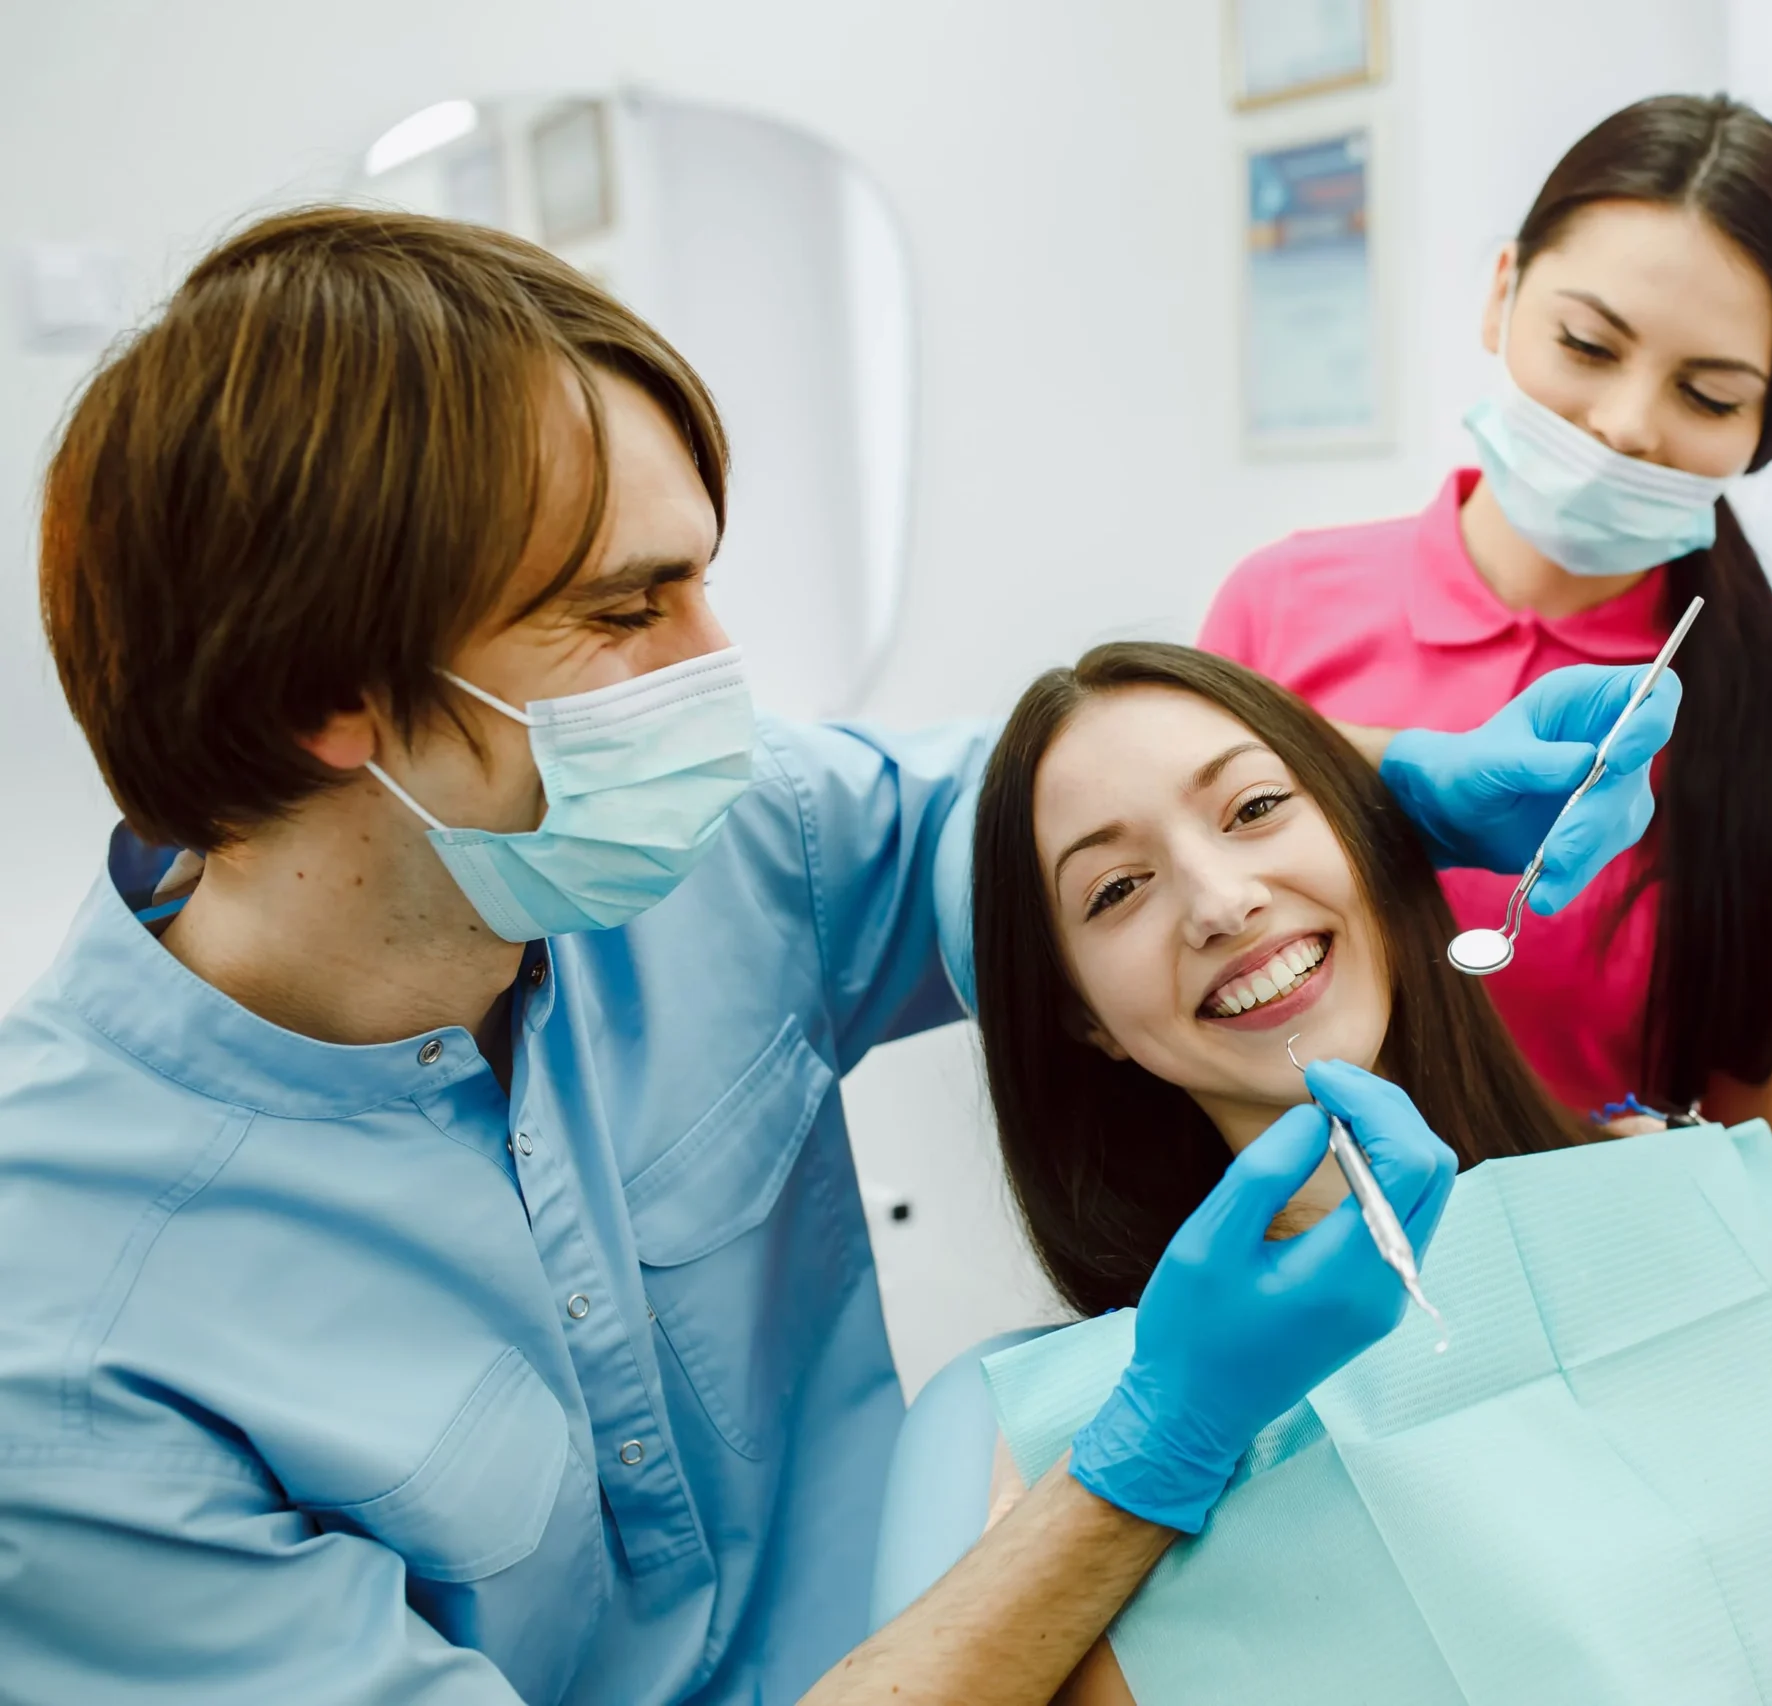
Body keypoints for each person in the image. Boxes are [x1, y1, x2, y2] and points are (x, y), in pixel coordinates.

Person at [0, 209, 1683, 1706]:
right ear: (324, 699)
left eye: (704, 583)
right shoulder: (74, 1351)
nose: (719, 677)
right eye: (621, 610)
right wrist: (1155, 1451)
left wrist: (1390, 777)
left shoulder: (722, 843)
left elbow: (1060, 816)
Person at [962, 640, 1772, 1705]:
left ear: (1368, 834)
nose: (1220, 900)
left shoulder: (1668, 1189)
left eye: (1251, 808)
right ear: (1080, 1017)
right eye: (1114, 888)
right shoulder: (1096, 1450)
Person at [1201, 94, 1772, 1240]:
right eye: (1587, 344)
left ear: (1771, 427)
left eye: (1707, 394)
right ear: (1500, 294)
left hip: (1572, 1318)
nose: (1627, 423)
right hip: (1265, 1315)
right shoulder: (1279, 609)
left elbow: (1754, 1172)